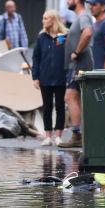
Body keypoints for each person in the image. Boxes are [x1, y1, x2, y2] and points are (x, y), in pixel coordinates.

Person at [58, 0, 93, 148]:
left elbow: (87, 33)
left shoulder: (84, 15)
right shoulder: (79, 17)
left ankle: (77, 134)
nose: (67, 1)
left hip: (80, 64)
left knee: (70, 97)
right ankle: (80, 133)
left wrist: (76, 52)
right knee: (76, 98)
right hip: (77, 64)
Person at [31, 10, 67, 146]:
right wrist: (35, 77)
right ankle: (47, 136)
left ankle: (58, 135)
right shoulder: (41, 38)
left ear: (53, 20)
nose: (43, 21)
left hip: (60, 77)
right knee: (47, 107)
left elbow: (67, 56)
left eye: (45, 18)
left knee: (60, 106)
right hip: (45, 77)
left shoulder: (62, 37)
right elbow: (36, 58)